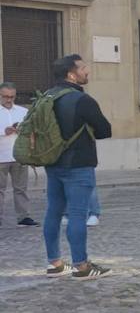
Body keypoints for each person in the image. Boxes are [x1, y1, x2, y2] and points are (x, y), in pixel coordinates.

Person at [41, 55, 113, 279]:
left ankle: (55, 263)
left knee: (53, 211)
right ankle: (81, 266)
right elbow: (104, 130)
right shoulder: (82, 100)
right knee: (78, 214)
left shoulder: (47, 96)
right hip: (78, 165)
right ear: (72, 74)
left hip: (53, 163)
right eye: (83, 68)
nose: (87, 71)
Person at [0, 82, 36, 227]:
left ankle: (23, 217)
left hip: (19, 156)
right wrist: (4, 132)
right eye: (5, 96)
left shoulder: (22, 111)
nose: (9, 100)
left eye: (12, 97)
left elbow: (31, 130)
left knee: (21, 188)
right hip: (1, 156)